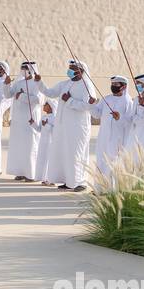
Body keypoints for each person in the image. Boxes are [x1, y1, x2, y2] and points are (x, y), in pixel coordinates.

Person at [42, 59, 95, 191]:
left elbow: (87, 106)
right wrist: (38, 81)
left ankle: (80, 182)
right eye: (69, 67)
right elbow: (50, 93)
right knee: (65, 153)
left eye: (73, 68)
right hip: (64, 126)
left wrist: (69, 100)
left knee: (76, 153)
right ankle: (69, 181)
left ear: (81, 71)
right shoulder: (66, 84)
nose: (70, 70)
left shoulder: (87, 85)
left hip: (78, 127)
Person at [6, 61, 43, 181]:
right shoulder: (19, 83)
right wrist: (6, 85)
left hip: (29, 119)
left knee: (30, 146)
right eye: (22, 68)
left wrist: (22, 96)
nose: (23, 70)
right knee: (19, 146)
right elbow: (8, 95)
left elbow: (38, 99)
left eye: (26, 68)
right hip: (18, 120)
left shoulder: (37, 83)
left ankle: (31, 174)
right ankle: (21, 171)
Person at [93, 75, 135, 179]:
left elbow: (130, 121)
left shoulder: (128, 101)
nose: (113, 86)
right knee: (101, 160)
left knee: (113, 162)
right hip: (104, 136)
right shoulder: (106, 99)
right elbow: (96, 114)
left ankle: (111, 189)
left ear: (123, 86)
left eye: (116, 84)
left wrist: (119, 118)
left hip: (117, 138)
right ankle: (99, 188)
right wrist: (92, 105)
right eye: (112, 84)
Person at [36, 99, 56, 186]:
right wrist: (33, 124)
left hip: (50, 142)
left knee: (49, 160)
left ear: (51, 107)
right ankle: (44, 178)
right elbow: (39, 129)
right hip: (43, 142)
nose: (44, 106)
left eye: (46, 104)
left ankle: (50, 179)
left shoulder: (54, 118)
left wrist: (47, 125)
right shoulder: (43, 117)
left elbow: (55, 130)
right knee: (43, 159)